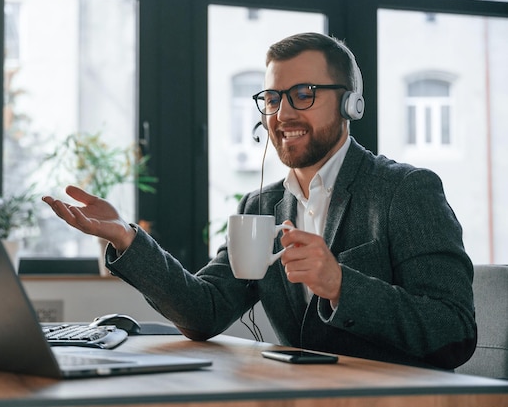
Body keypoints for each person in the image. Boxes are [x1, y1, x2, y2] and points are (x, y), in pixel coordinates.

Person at [43, 32, 477, 370]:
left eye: (303, 94)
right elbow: (205, 311)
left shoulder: (405, 190)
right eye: (271, 98)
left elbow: (455, 332)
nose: (282, 114)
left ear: (351, 103)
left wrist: (341, 285)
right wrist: (126, 238)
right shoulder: (261, 207)